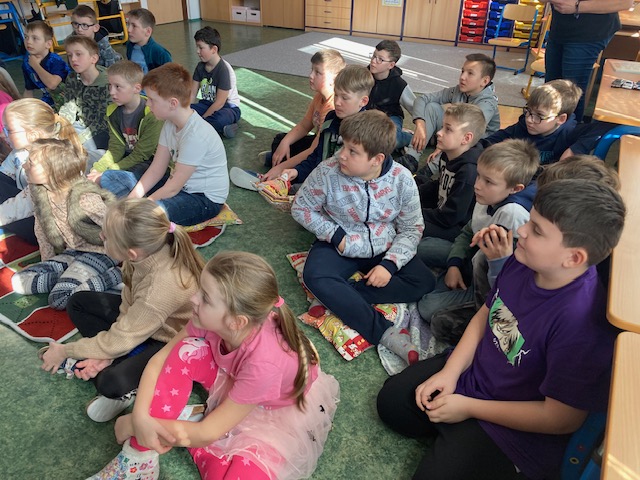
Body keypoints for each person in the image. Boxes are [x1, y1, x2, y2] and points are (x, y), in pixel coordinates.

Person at [377, 179, 626, 479]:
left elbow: (561, 419)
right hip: (476, 377)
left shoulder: (581, 325)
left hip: (511, 427)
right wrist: (450, 372)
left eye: (537, 230)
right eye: (530, 220)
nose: (523, 231)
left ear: (573, 258)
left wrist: (469, 408)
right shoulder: (525, 259)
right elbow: (487, 315)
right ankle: (454, 432)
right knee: (392, 403)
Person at [87, 251, 340, 480]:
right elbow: (159, 361)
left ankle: (188, 421)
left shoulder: (264, 365)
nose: (193, 298)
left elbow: (208, 432)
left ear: (236, 322)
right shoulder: (209, 318)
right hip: (237, 378)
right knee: (186, 351)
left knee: (230, 469)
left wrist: (135, 424)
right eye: (201, 289)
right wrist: (141, 419)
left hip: (274, 411)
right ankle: (139, 457)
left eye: (205, 298)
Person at [291, 110, 435, 365]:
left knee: (424, 282)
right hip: (339, 244)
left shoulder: (402, 180)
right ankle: (385, 333)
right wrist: (335, 235)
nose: (341, 155)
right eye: (343, 146)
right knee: (315, 276)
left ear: (377, 159)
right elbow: (301, 207)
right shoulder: (327, 171)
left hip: (384, 245)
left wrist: (389, 265)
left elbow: (412, 229)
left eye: (352, 151)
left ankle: (339, 297)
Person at [39, 198, 203, 423]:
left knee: (110, 383)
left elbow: (128, 332)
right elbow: (128, 304)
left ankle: (126, 386)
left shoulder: (160, 286)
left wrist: (66, 351)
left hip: (171, 341)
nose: (100, 236)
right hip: (145, 323)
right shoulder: (142, 255)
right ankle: (117, 359)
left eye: (106, 236)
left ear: (131, 252)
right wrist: (107, 353)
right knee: (78, 302)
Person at [419, 140, 540, 344]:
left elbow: (502, 283)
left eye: (488, 182)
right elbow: (467, 232)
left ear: (515, 188)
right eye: (478, 176)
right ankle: (450, 278)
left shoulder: (513, 216)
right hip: (472, 260)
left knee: (428, 307)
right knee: (423, 246)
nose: (477, 185)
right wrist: (454, 264)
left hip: (485, 284)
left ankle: (452, 287)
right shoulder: (487, 197)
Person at [100, 63, 229, 227]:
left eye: (152, 100)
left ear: (173, 103)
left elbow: (173, 188)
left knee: (146, 216)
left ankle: (136, 214)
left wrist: (140, 206)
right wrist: (132, 200)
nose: (148, 104)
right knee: (109, 177)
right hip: (178, 186)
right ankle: (135, 208)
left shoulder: (196, 135)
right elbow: (156, 169)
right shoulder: (169, 124)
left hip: (203, 199)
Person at [11, 138, 121, 310]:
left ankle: (117, 276)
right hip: (72, 253)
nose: (24, 166)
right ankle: (72, 279)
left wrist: (127, 261)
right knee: (18, 281)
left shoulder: (84, 198)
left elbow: (118, 229)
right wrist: (48, 261)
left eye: (31, 163)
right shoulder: (39, 191)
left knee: (59, 298)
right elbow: (41, 228)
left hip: (100, 252)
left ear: (53, 170)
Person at [0, 98, 83, 245]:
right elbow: (4, 176)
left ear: (33, 134)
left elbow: (27, 201)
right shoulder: (20, 152)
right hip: (30, 208)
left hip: (52, 225)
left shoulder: (51, 159)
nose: (4, 135)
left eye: (9, 130)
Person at [256, 48, 345, 181]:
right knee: (280, 140)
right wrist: (285, 143)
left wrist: (280, 168)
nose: (311, 75)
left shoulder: (332, 107)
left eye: (318, 72)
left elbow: (315, 150)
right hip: (315, 142)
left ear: (334, 78)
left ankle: (279, 164)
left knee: (310, 163)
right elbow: (304, 126)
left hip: (322, 151)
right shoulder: (319, 97)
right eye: (312, 70)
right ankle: (279, 159)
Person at [417, 103, 486, 267]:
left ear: (466, 138)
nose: (439, 133)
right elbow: (440, 185)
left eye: (448, 129)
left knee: (407, 224)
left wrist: (415, 213)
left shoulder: (469, 171)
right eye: (442, 127)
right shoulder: (448, 154)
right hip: (442, 210)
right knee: (416, 185)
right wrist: (412, 195)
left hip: (457, 228)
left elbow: (451, 217)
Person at [481, 79, 611, 165]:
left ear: (561, 119)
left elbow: (609, 124)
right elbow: (490, 141)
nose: (529, 119)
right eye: (528, 111)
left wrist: (575, 149)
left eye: (539, 115)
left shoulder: (570, 132)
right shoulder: (523, 125)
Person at [541, 0, 634, 121]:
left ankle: (571, 130)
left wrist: (578, 7)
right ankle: (548, 129)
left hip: (588, 33)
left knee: (571, 91)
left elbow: (625, 2)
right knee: (552, 89)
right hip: (560, 30)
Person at [88, 61, 163, 185]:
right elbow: (115, 149)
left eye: (118, 87)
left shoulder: (151, 114)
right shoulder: (112, 112)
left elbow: (142, 155)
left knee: (125, 177)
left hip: (149, 162)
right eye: (110, 86)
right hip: (126, 156)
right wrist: (97, 169)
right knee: (90, 158)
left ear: (137, 88)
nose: (111, 92)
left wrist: (108, 172)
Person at [410, 53, 499, 156]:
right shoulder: (458, 91)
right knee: (432, 107)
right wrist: (420, 125)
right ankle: (411, 157)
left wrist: (443, 148)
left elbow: (468, 133)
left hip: (475, 143)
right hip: (454, 133)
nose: (462, 77)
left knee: (452, 148)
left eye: (470, 73)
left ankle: (434, 161)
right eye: (462, 71)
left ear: (484, 81)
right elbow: (422, 99)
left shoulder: (487, 103)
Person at [57, 35, 111, 167]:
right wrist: (60, 127)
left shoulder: (107, 83)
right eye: (70, 55)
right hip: (80, 126)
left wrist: (78, 138)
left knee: (79, 153)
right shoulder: (72, 78)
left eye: (78, 54)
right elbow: (68, 107)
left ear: (94, 58)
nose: (73, 59)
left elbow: (103, 121)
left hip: (102, 131)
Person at [190, 26, 241, 139]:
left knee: (220, 119)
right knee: (183, 112)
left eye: (201, 48)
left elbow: (220, 103)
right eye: (197, 47)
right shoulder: (200, 67)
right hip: (206, 104)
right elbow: (192, 94)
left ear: (214, 49)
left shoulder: (223, 69)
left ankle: (227, 125)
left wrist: (202, 120)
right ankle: (221, 129)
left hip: (228, 108)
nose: (197, 51)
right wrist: (185, 111)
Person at [366, 40, 416, 150]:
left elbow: (415, 108)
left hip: (391, 117)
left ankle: (412, 138)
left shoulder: (399, 84)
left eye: (380, 59)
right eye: (374, 56)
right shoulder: (363, 76)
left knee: (391, 140)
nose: (373, 61)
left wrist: (423, 129)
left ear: (391, 65)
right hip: (368, 117)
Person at [21, 20, 70, 107]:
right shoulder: (27, 62)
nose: (29, 41)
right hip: (50, 100)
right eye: (26, 37)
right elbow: (28, 90)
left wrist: (35, 65)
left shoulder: (55, 60)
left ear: (48, 44)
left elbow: (52, 84)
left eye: (35, 38)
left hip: (69, 99)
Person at [125, 8, 172, 74]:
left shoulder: (161, 54)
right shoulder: (129, 45)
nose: (128, 30)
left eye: (134, 26)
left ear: (148, 31)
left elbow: (170, 77)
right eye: (128, 24)